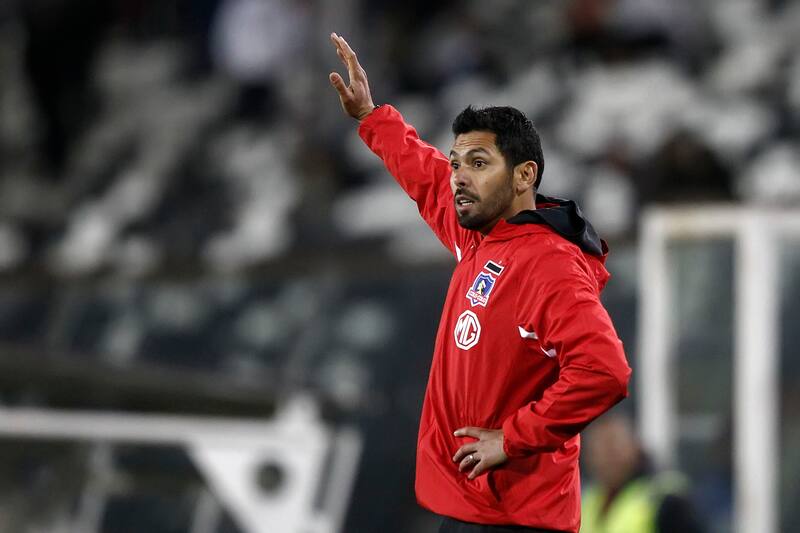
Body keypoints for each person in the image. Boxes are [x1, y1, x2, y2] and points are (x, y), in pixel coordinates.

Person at [328, 33, 631, 533]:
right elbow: (426, 178)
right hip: (475, 509)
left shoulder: (548, 265)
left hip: (515, 515)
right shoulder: (482, 237)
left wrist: (511, 439)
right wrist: (372, 117)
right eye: (457, 163)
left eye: (478, 163)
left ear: (523, 176)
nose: (459, 177)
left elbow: (604, 371)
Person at [581, 413, 706, 533]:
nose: (608, 459)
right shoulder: (587, 501)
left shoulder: (664, 497)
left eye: (614, 447)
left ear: (635, 446)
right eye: (599, 450)